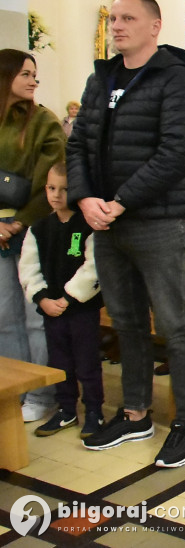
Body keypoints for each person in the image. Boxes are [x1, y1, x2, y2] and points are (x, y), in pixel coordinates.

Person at [66, 0, 185, 468]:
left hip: (156, 221)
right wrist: (85, 198)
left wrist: (120, 202)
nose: (117, 26)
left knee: (174, 322)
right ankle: (135, 412)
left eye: (128, 18)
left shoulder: (178, 79)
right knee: (125, 321)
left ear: (155, 26)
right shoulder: (100, 78)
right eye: (113, 18)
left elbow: (174, 152)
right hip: (105, 220)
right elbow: (79, 144)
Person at [0, 49, 65, 423]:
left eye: (35, 75)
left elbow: (50, 182)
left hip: (30, 230)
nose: (33, 80)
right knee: (5, 319)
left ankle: (42, 394)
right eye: (25, 73)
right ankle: (15, 389)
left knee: (33, 316)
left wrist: (18, 222)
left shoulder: (43, 122)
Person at [19, 162, 104, 438]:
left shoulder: (87, 225)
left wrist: (69, 298)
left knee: (87, 362)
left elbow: (93, 267)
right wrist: (42, 298)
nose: (56, 195)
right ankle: (67, 410)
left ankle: (94, 411)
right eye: (51, 188)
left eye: (65, 189)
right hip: (51, 310)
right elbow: (29, 268)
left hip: (81, 309)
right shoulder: (39, 228)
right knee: (60, 362)